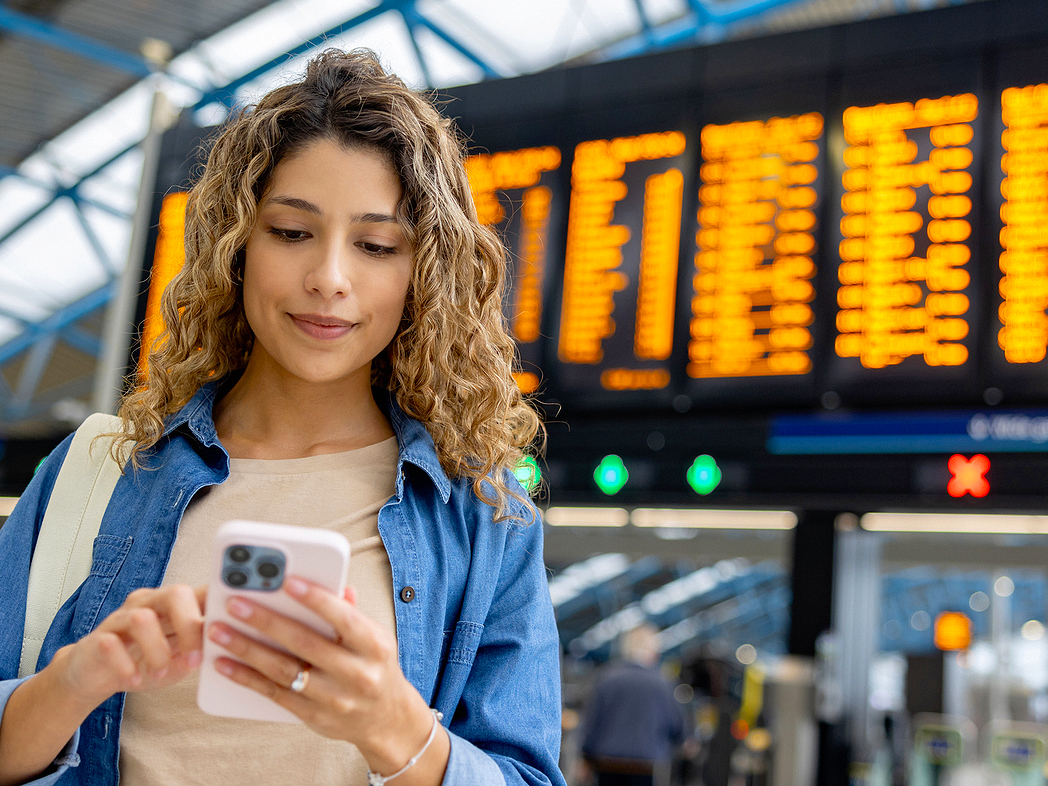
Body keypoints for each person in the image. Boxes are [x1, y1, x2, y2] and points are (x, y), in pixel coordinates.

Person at [0, 49, 565, 786]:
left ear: (422, 272)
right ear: (236, 247)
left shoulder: (484, 517)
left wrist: (397, 732)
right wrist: (72, 683)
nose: (328, 277)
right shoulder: (99, 472)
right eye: (291, 232)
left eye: (375, 244)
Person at [579, 624, 685, 786]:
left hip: (606, 764)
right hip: (645, 766)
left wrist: (585, 757)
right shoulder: (663, 684)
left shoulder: (606, 678)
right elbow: (677, 727)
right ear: (654, 651)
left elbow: (591, 723)